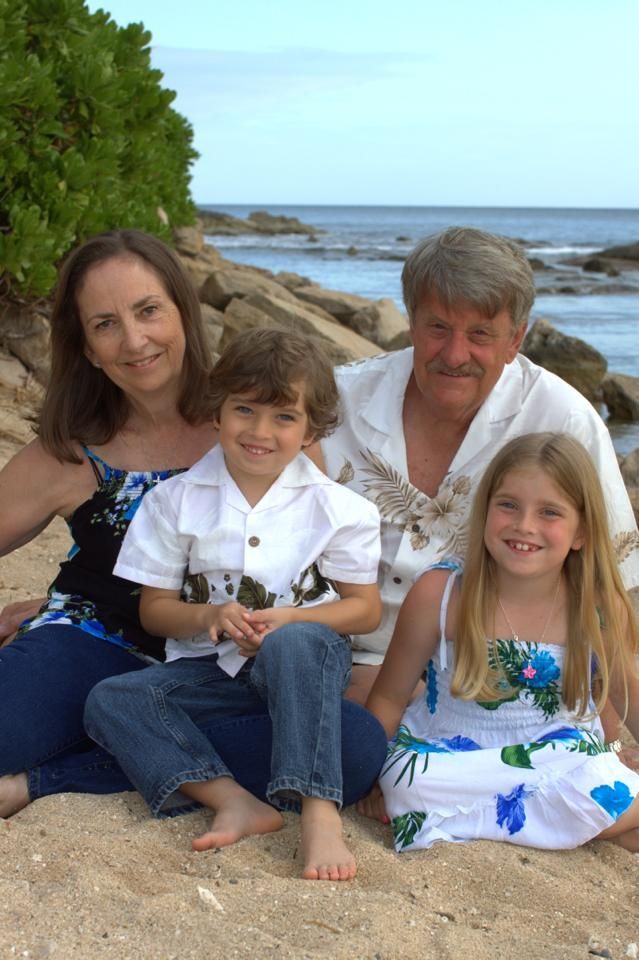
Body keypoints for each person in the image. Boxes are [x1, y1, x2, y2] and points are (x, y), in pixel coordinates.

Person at [0, 236, 386, 822]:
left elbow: (314, 567)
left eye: (148, 310)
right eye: (105, 324)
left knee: (354, 746)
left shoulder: (260, 421)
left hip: (224, 668)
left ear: (184, 311)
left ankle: (52, 778)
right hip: (93, 642)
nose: (135, 340)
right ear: (88, 348)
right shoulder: (70, 452)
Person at [83, 328, 383, 881]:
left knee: (297, 644)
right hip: (210, 674)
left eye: (284, 417)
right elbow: (155, 612)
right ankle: (232, 799)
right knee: (111, 699)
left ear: (311, 429)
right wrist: (209, 616)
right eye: (244, 409)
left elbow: (364, 610)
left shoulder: (342, 510)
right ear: (217, 411)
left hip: (302, 669)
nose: (260, 432)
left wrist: (292, 619)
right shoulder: (173, 501)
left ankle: (319, 810)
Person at [318, 227, 639, 714]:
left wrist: (604, 720)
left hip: (491, 676)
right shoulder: (335, 402)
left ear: (516, 339)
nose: (454, 355)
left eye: (480, 335)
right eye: (438, 327)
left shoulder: (563, 420)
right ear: (410, 321)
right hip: (339, 657)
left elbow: (605, 584)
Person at [366, 432, 639, 853]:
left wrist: (617, 749)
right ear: (485, 510)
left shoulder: (597, 606)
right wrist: (371, 778)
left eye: (550, 512)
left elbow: (625, 693)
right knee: (408, 781)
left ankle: (524, 821)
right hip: (452, 752)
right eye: (508, 505)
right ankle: (570, 825)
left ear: (581, 531)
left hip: (557, 752)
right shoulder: (442, 593)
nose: (524, 525)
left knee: (595, 781)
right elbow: (389, 696)